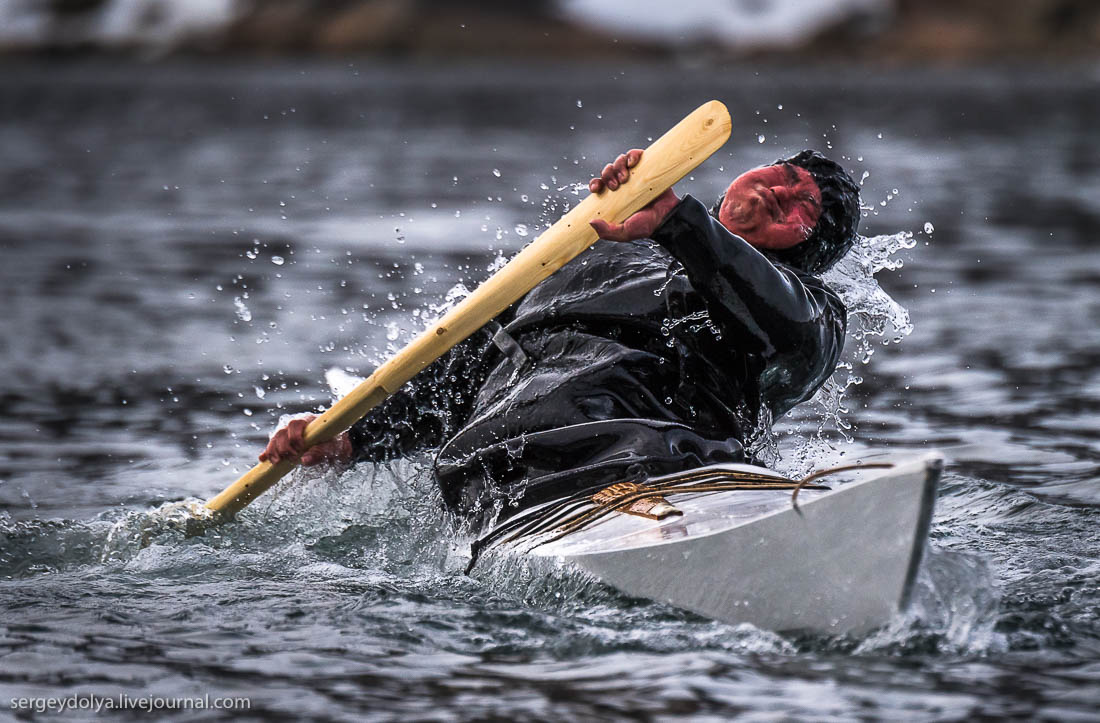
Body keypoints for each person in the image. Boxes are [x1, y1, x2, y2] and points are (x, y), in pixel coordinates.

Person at [260, 149, 862, 524]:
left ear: (807, 250)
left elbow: (795, 337)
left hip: (662, 467)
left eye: (803, 205)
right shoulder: (584, 254)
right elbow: (461, 377)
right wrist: (353, 437)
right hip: (501, 479)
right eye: (783, 174)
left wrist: (682, 222)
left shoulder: (806, 312)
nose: (782, 189)